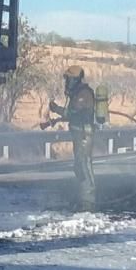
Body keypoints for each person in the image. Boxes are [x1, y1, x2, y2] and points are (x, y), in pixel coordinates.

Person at [50, 65, 97, 209]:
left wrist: (56, 109)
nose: (67, 82)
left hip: (84, 134)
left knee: (84, 166)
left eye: (69, 79)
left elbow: (72, 114)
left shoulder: (83, 94)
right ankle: (83, 198)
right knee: (79, 166)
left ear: (75, 79)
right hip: (79, 134)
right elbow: (74, 115)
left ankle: (88, 202)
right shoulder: (77, 94)